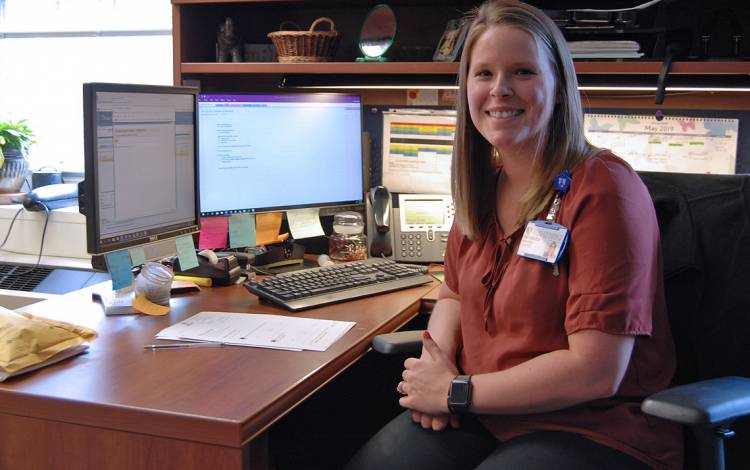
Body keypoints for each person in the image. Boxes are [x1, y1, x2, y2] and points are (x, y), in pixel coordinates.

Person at [345, 1, 682, 469]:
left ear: (559, 87)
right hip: (487, 413)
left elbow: (596, 371)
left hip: (593, 426)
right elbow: (454, 294)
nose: (499, 90)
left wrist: (455, 391)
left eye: (522, 71)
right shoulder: (484, 183)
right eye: (483, 73)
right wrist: (434, 370)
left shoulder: (604, 189)